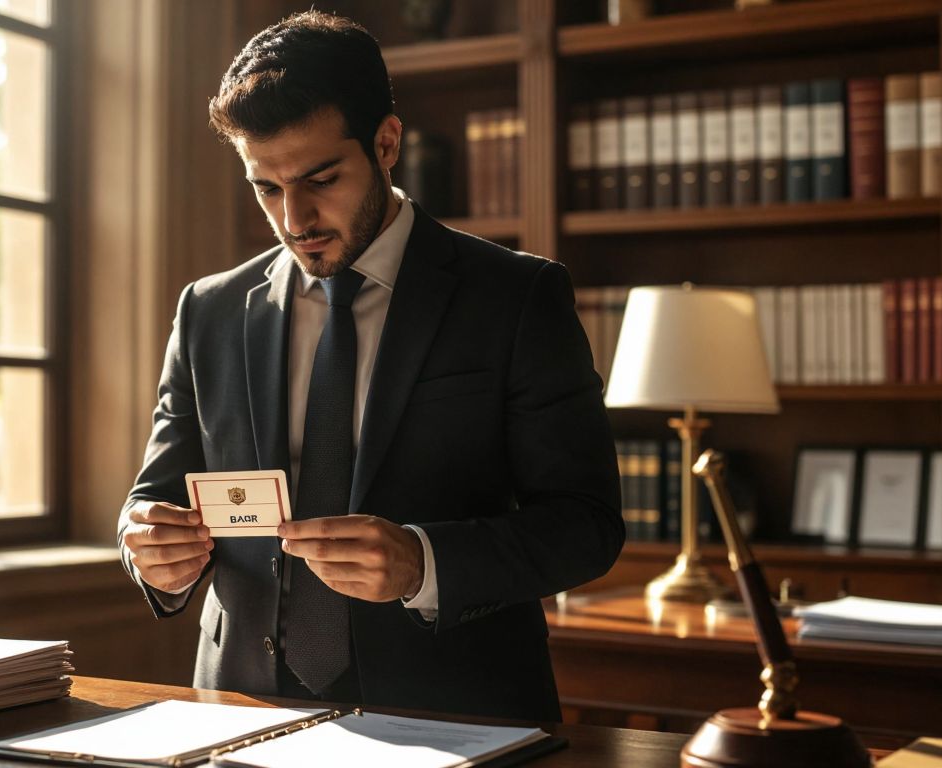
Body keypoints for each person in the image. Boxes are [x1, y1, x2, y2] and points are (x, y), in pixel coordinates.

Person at [117, 10, 622, 722]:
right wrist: (148, 548)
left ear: (387, 144)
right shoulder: (209, 310)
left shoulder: (516, 297)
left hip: (456, 716)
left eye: (321, 178)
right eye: (266, 187)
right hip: (238, 712)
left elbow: (588, 523)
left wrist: (424, 563)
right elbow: (153, 498)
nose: (294, 218)